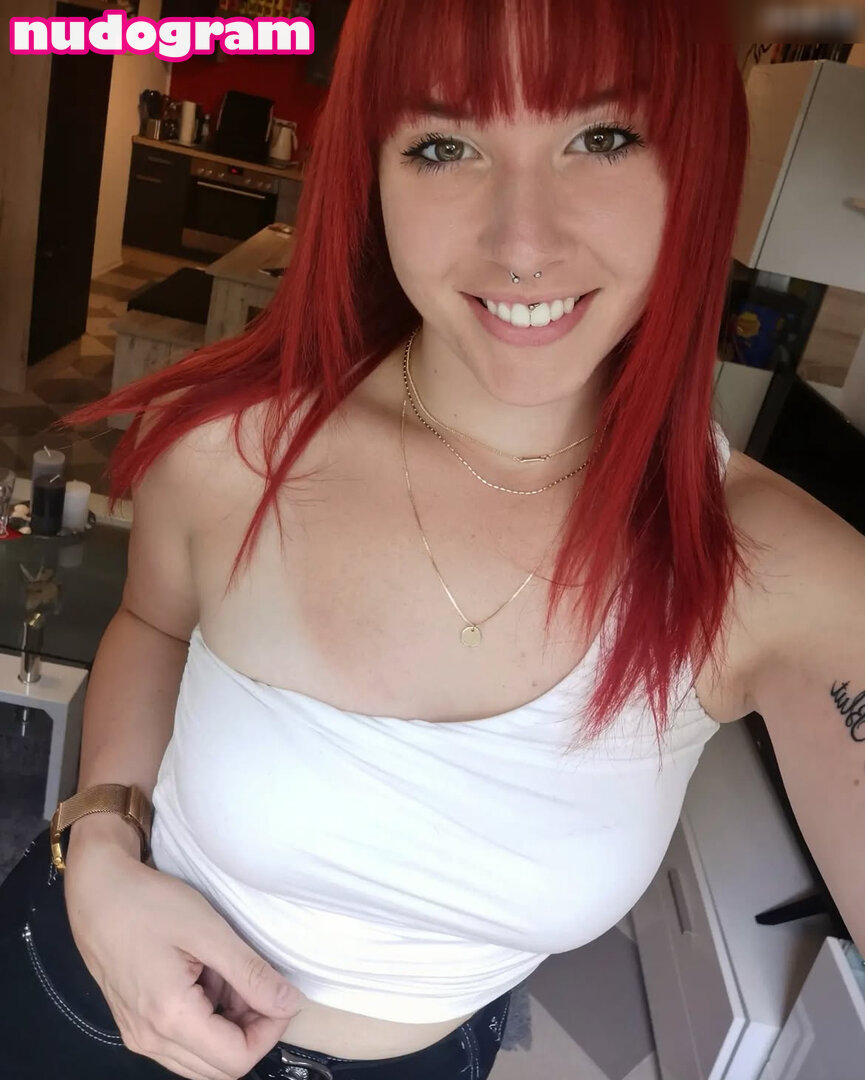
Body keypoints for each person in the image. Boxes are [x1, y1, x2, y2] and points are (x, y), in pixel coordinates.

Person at [2, 1, 864, 1078]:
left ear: (695, 162)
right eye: (445, 145)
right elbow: (152, 626)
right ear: (372, 171)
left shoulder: (774, 573)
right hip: (84, 994)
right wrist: (97, 844)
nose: (523, 244)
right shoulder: (237, 450)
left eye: (602, 136)